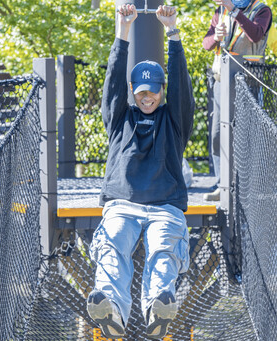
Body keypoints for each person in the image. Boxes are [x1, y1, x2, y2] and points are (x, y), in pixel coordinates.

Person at [86, 4, 194, 340]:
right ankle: (112, 309)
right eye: (141, 91)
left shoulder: (174, 122)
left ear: (162, 92)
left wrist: (172, 32)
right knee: (112, 241)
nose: (147, 97)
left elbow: (181, 87)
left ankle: (157, 307)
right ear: (134, 93)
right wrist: (123, 29)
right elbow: (113, 83)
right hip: (123, 204)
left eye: (154, 91)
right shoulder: (120, 120)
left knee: (163, 247)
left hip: (165, 206)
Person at [202, 0, 274, 201]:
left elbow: (255, 34)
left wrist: (234, 11)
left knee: (242, 137)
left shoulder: (262, 10)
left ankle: (241, 188)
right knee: (217, 136)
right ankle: (221, 184)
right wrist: (215, 37)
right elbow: (206, 44)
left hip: (247, 83)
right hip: (221, 82)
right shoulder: (220, 10)